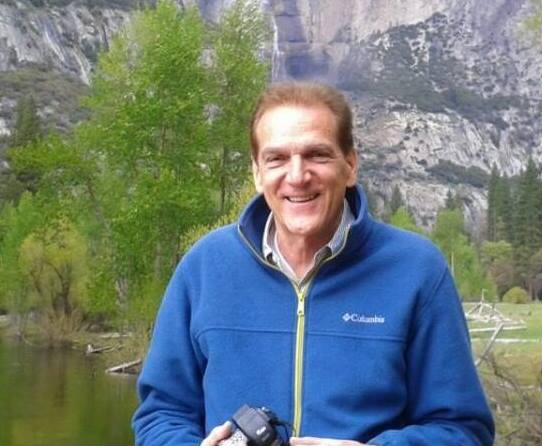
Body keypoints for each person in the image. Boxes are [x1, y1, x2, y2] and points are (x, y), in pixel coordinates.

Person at [133, 81, 495, 446]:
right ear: (257, 173)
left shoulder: (417, 271)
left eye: (317, 155)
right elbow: (161, 414)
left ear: (350, 165)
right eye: (276, 159)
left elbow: (463, 430)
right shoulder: (204, 267)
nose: (297, 176)